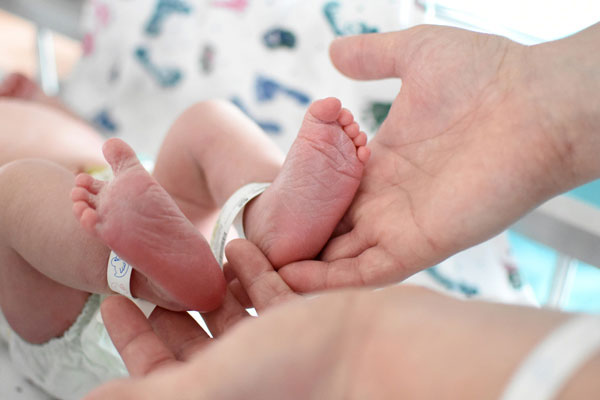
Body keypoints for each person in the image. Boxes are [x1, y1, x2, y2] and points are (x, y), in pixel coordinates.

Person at [89, 22, 600, 399]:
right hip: (151, 213)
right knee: (207, 127)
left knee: (24, 190)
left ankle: (248, 226)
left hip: (112, 225)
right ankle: (253, 215)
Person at [0, 95, 369, 399]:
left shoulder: (28, 101)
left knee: (203, 122)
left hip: (161, 221)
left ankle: (268, 215)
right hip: (79, 293)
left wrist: (41, 100)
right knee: (11, 192)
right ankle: (143, 273)